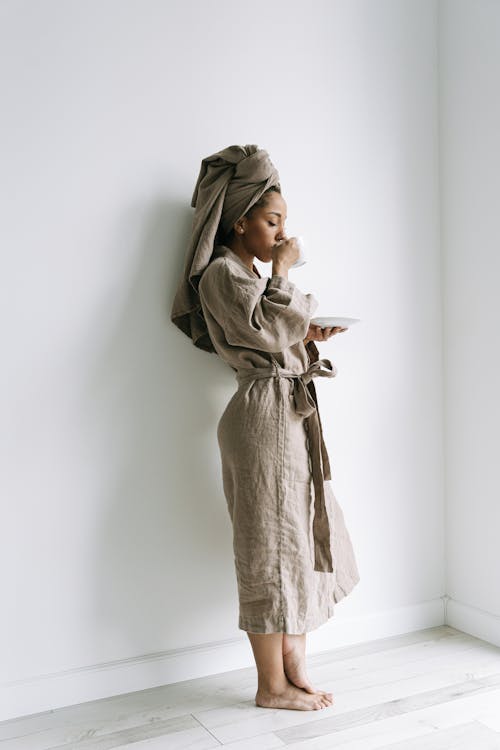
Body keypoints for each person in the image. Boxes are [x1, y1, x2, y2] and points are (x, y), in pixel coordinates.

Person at [171, 144, 360, 711]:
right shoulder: (221, 277)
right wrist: (282, 273)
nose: (282, 233)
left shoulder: (250, 275)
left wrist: (309, 337)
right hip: (262, 420)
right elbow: (265, 333)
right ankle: (269, 686)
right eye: (272, 221)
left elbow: (278, 332)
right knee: (267, 550)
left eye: (284, 223)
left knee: (298, 540)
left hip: (290, 416)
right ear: (239, 221)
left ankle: (293, 661)